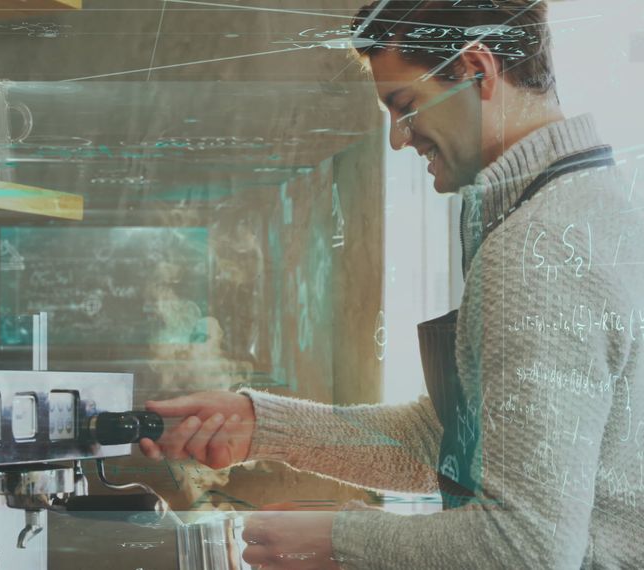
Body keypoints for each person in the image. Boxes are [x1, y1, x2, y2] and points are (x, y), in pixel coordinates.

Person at [139, 1, 644, 568]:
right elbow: (454, 442)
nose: (400, 140)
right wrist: (261, 427)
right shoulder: (585, 206)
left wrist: (333, 539)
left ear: (477, 71)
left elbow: (523, 549)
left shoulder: (539, 248)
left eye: (406, 106)